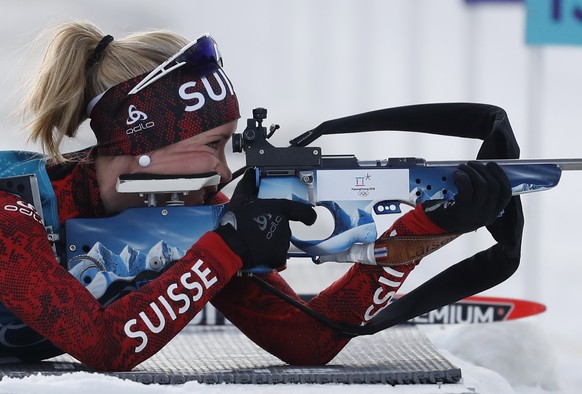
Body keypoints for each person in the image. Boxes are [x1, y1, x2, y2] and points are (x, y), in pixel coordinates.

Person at [0, 21, 517, 371]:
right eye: (212, 144)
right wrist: (224, 250)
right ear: (143, 147)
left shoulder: (189, 218)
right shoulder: (10, 208)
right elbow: (105, 346)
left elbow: (307, 339)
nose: (224, 168)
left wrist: (424, 230)